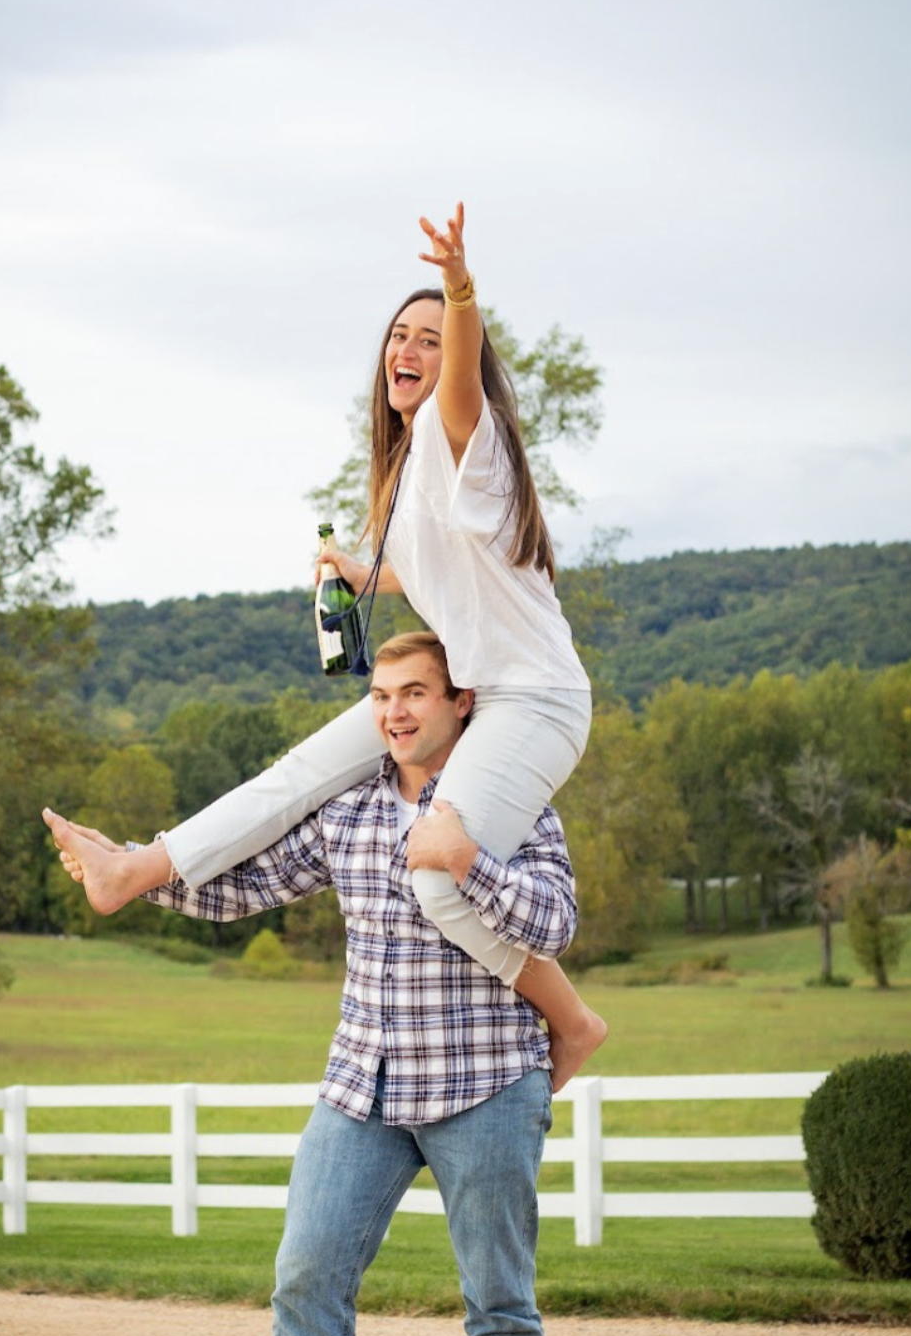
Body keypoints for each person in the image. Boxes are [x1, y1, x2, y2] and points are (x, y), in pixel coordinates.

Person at [45, 202, 605, 1089]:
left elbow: (463, 378)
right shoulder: (410, 469)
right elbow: (439, 575)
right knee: (296, 774)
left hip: (533, 701)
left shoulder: (469, 437)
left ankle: (572, 1022)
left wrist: (460, 288)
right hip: (474, 693)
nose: (407, 351)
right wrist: (361, 569)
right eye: (398, 336)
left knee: (435, 879)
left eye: (428, 338)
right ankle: (131, 869)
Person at [48, 630, 577, 1336]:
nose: (393, 711)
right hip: (361, 1089)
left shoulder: (514, 804)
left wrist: (466, 862)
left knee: (498, 1298)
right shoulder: (350, 808)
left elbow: (555, 925)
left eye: (413, 693)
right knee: (306, 1278)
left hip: (484, 1084)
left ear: (461, 705)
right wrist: (135, 874)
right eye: (380, 696)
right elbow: (246, 883)